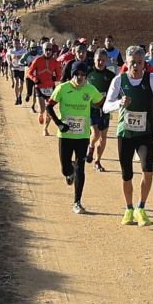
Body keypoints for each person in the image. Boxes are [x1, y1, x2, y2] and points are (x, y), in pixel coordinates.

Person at [101, 46, 153, 226]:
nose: (136, 66)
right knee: (127, 174)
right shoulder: (119, 80)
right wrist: (119, 103)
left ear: (144, 63)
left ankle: (141, 207)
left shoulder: (152, 79)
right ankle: (128, 209)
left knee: (148, 171)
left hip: (145, 133)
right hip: (125, 134)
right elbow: (106, 106)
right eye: (133, 62)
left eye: (140, 63)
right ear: (126, 63)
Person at [47, 62, 105, 213]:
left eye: (83, 75)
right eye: (77, 74)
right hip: (65, 135)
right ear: (72, 74)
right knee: (65, 169)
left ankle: (77, 202)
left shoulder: (90, 89)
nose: (80, 78)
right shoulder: (63, 88)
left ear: (86, 76)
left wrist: (103, 112)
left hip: (82, 135)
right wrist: (59, 124)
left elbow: (101, 103)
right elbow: (49, 106)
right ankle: (69, 171)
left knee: (81, 168)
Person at [85, 56, 117, 171]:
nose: (100, 62)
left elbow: (116, 89)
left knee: (103, 137)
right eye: (98, 60)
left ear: (106, 61)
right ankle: (91, 146)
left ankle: (97, 161)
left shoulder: (110, 75)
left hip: (105, 109)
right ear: (94, 59)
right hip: (91, 108)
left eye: (103, 60)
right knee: (96, 133)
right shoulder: (88, 72)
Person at [26, 45, 61, 132]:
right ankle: (41, 113)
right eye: (46, 49)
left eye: (50, 50)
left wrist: (55, 78)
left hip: (50, 87)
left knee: (49, 109)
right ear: (43, 50)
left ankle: (45, 129)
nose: (48, 51)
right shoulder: (38, 60)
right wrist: (35, 79)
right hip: (39, 87)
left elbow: (59, 75)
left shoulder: (55, 62)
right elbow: (29, 72)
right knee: (42, 109)